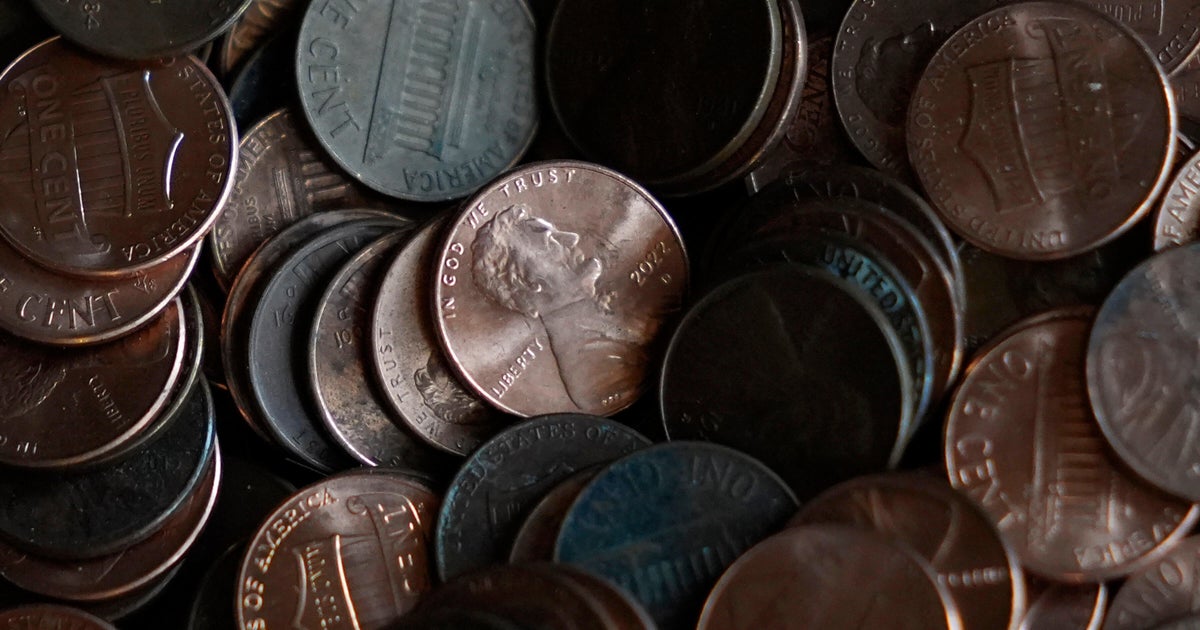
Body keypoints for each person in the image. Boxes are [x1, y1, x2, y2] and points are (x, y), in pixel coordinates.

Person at [471, 204, 652, 412]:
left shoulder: (617, 322)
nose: (571, 238)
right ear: (529, 283)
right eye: (550, 240)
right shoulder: (593, 377)